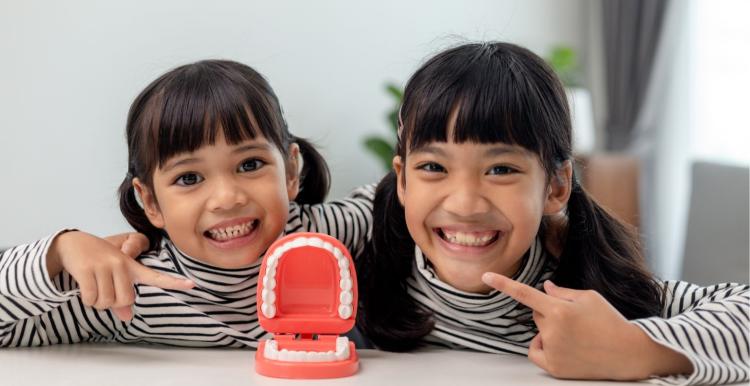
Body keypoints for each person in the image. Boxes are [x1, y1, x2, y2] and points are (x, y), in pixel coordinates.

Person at [356, 42, 749, 384]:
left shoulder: (588, 295)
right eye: (434, 167)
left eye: (501, 170)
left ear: (556, 186)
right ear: (403, 180)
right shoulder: (363, 260)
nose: (465, 204)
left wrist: (633, 349)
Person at [0, 60, 373, 347]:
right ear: (150, 201)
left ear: (290, 171)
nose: (227, 198)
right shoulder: (138, 293)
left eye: (250, 164)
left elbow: (394, 203)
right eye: (189, 178)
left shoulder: (324, 237)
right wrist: (61, 249)